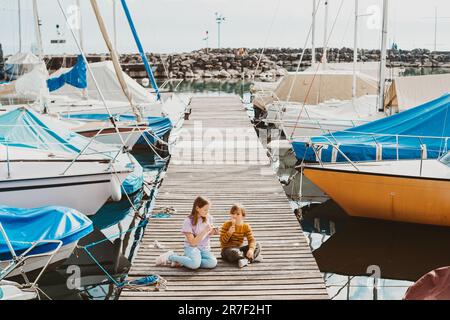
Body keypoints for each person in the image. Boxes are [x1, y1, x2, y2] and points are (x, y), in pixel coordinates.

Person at [155, 196, 218, 269]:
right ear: (197, 208)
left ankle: (184, 261)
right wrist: (205, 231)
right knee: (195, 265)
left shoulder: (209, 218)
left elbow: (209, 231)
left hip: (204, 248)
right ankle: (170, 256)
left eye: (208, 210)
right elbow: (192, 243)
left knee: (212, 263)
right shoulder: (188, 221)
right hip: (191, 248)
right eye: (205, 210)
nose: (207, 212)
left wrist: (213, 231)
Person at [220, 204, 262, 268]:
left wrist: (251, 250)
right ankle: (251, 258)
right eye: (233, 213)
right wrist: (229, 232)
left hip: (239, 248)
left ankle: (245, 260)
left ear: (243, 216)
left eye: (238, 214)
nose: (234, 216)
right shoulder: (226, 225)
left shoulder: (246, 226)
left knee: (257, 245)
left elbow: (251, 240)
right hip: (227, 249)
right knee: (234, 252)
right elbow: (222, 241)